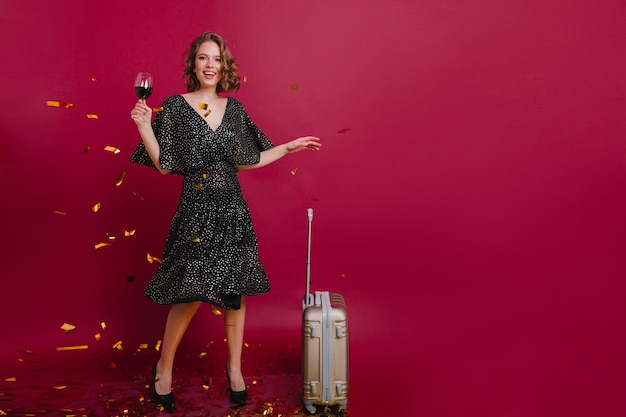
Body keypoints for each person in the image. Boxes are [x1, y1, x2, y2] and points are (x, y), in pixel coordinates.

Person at [129, 32, 321, 411]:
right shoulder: (175, 106)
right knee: (188, 293)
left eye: (217, 59)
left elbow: (247, 160)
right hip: (195, 211)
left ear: (225, 66)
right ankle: (163, 370)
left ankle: (235, 371)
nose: (211, 65)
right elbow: (166, 166)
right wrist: (144, 127)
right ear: (194, 65)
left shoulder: (234, 110)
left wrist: (287, 146)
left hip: (232, 210)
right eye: (203, 58)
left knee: (235, 292)